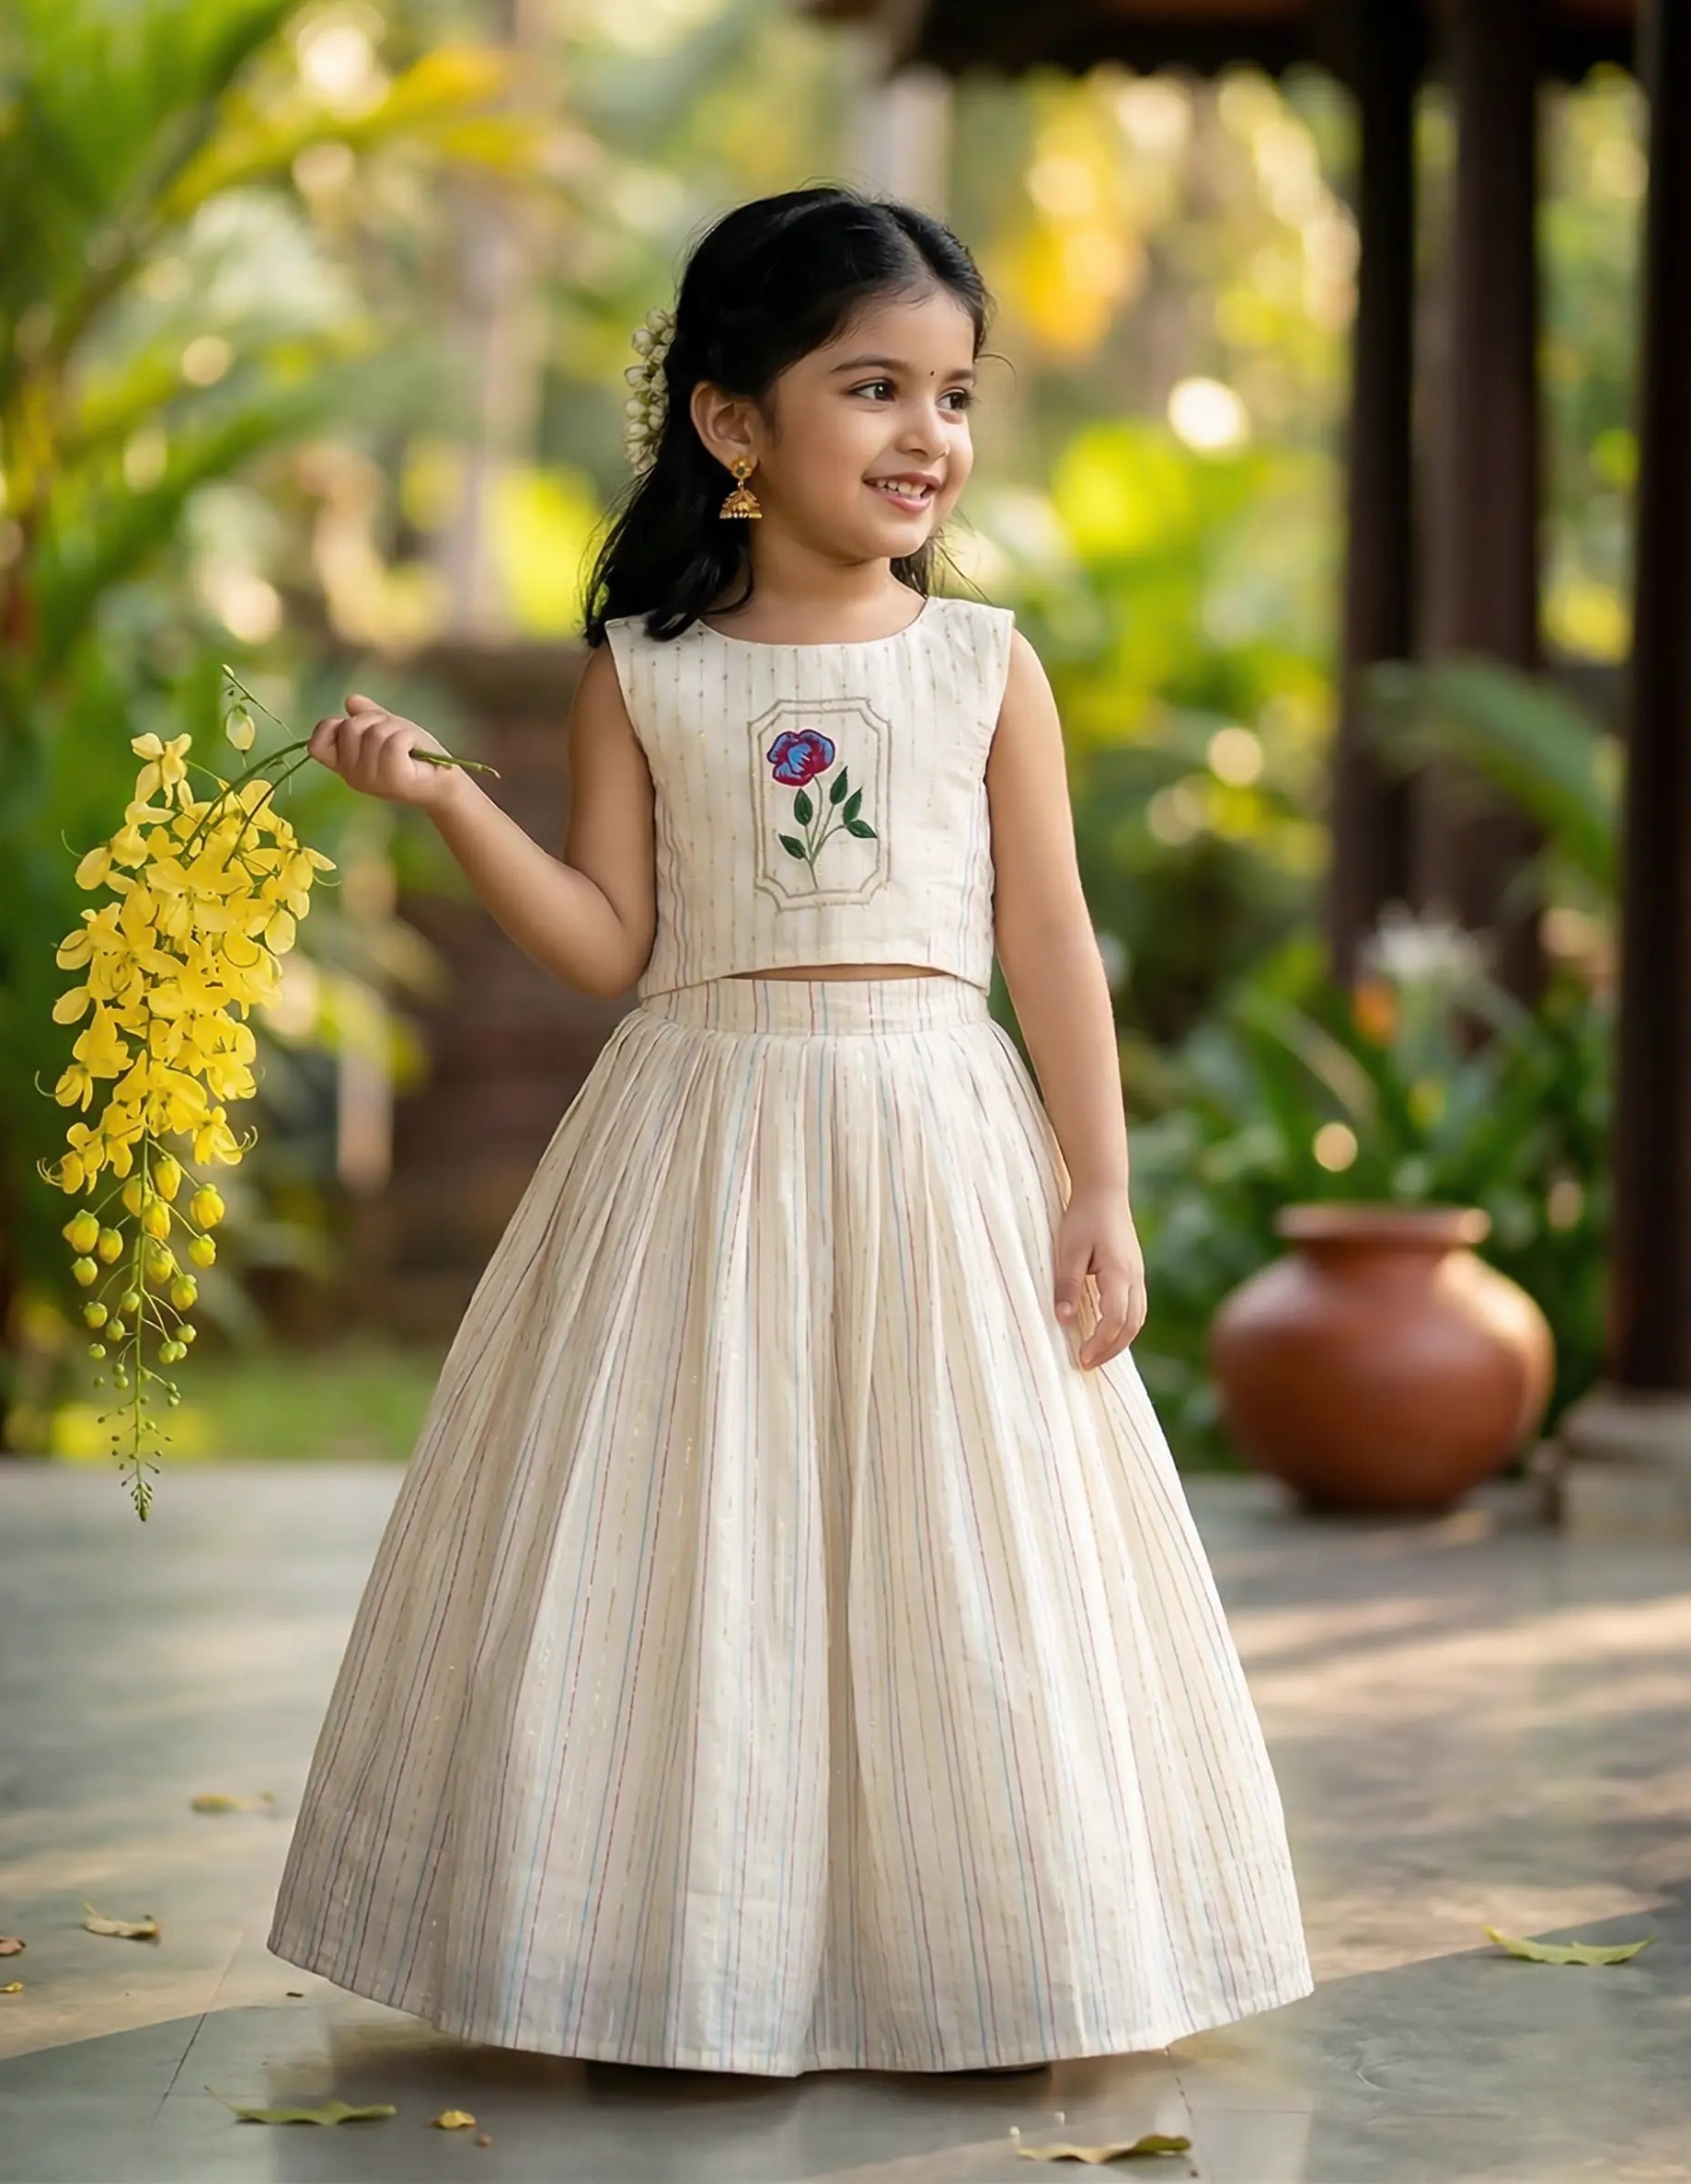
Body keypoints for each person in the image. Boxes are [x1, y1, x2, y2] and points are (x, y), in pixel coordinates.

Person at [266, 186, 1315, 2078]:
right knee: (689, 1536)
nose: (929, 434)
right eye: (874, 386)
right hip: (702, 1140)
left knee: (958, 1539)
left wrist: (1097, 1179)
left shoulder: (983, 663)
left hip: (936, 1142)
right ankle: (652, 1963)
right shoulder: (643, 671)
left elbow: (1047, 938)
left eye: (954, 393)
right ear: (733, 421)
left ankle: (997, 1958)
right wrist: (449, 804)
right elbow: (611, 944)